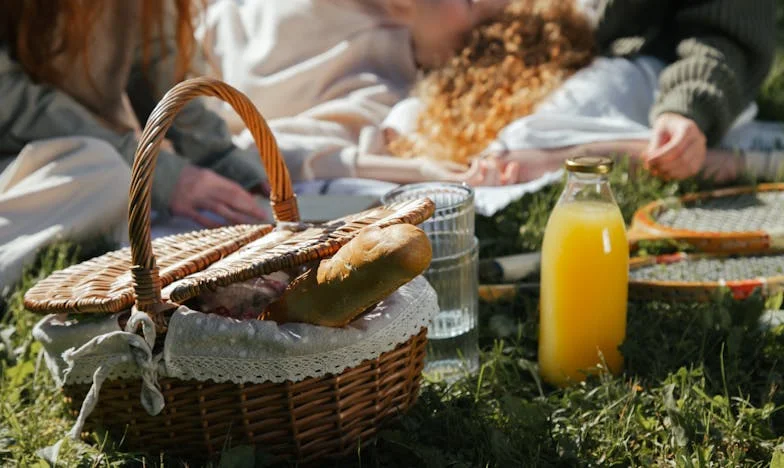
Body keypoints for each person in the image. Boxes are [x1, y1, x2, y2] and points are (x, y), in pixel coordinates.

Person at [0, 0, 269, 290]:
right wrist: (166, 177)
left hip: (90, 165)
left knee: (111, 180)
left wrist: (229, 166)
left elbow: (158, 71)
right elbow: (11, 100)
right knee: (107, 178)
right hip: (35, 172)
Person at [197, 0, 516, 187]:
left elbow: (258, 153)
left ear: (472, 45)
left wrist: (418, 171)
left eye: (470, 1)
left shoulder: (377, 91)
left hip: (172, 114)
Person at [489, 0, 781, 183]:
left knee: (518, 147)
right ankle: (739, 156)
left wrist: (688, 106)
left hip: (659, 73)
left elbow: (724, 35)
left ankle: (734, 159)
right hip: (546, 62)